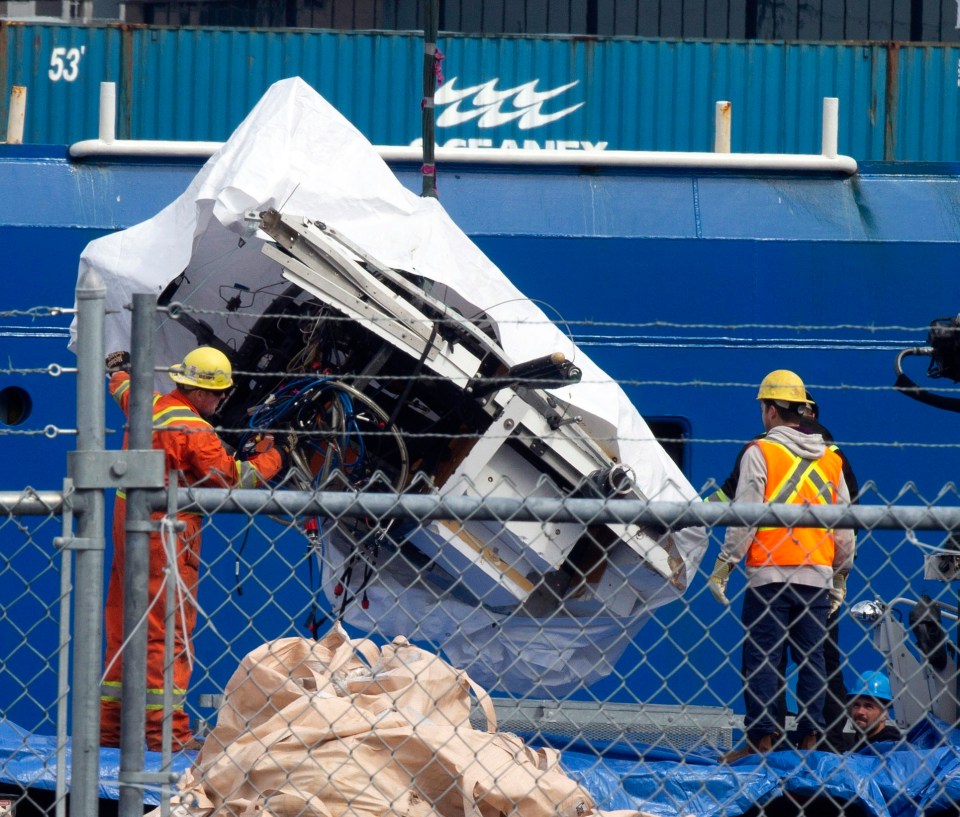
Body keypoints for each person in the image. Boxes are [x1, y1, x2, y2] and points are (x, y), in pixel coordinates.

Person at [100, 346, 285, 751]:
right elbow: (234, 480)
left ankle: (109, 733)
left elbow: (122, 387)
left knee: (122, 631)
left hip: (125, 524)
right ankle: (166, 735)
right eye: (219, 394)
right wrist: (273, 456)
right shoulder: (194, 431)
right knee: (167, 636)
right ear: (201, 392)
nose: (221, 401)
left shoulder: (148, 402)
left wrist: (117, 369)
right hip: (164, 537)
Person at [707, 369, 855, 760]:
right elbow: (845, 524)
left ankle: (762, 740)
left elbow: (746, 515)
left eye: (763, 407)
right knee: (812, 660)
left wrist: (725, 565)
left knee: (762, 658)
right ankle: (810, 740)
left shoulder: (761, 451)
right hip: (817, 577)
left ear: (772, 410)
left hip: (769, 576)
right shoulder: (832, 458)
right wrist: (841, 574)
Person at [845, 671, 901, 753]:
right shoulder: (852, 746)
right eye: (856, 705)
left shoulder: (892, 749)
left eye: (868, 707)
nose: (860, 712)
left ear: (884, 713)